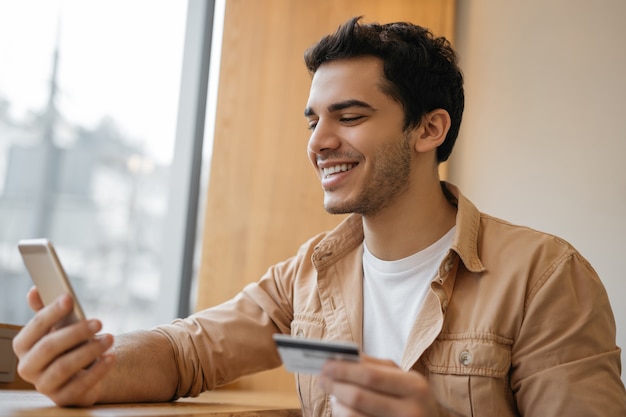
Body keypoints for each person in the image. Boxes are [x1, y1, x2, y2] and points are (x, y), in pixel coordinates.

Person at [12, 16, 626, 417]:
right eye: (314, 120)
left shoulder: (544, 275)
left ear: (430, 129)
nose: (318, 142)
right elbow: (187, 352)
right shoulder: (309, 275)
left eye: (350, 117)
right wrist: (94, 368)